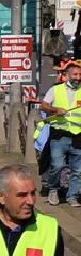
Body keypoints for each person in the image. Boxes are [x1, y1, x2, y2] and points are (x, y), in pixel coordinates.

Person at [37, 60, 81, 204]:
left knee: (78, 170)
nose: (78, 77)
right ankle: (53, 190)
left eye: (80, 74)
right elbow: (44, 105)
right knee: (57, 166)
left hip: (78, 136)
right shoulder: (56, 90)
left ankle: (72, 196)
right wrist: (55, 110)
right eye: (75, 74)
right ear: (67, 76)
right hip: (60, 135)